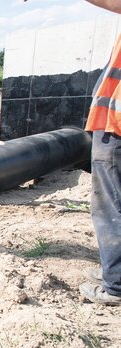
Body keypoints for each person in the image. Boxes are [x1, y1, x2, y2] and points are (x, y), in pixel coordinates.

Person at [77, 0, 121, 306]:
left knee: (109, 205)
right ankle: (114, 269)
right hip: (112, 125)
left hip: (116, 127)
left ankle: (116, 283)